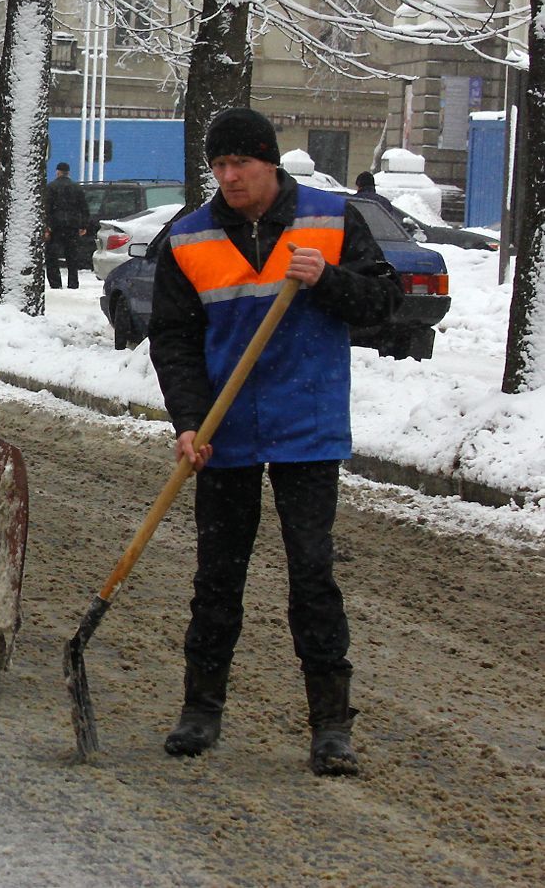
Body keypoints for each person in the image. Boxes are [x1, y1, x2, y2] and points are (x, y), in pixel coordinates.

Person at [148, 107, 400, 776]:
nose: (229, 177)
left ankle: (331, 726)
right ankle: (200, 710)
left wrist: (330, 279)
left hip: (307, 427)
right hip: (224, 430)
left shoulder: (330, 219)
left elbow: (384, 302)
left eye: (241, 164)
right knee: (217, 575)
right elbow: (173, 339)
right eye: (220, 166)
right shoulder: (187, 236)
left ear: (270, 161)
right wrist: (189, 420)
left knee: (312, 576)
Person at [44, 162, 91, 290]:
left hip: (56, 227)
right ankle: (73, 283)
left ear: (57, 172)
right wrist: (83, 225)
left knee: (52, 256)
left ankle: (55, 283)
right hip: (72, 227)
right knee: (72, 256)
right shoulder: (77, 188)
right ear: (68, 173)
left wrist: (47, 227)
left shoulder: (51, 187)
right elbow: (84, 208)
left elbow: (46, 208)